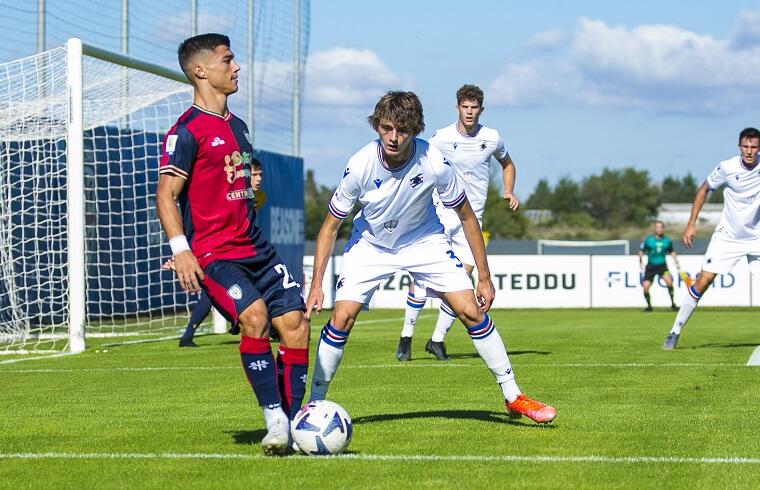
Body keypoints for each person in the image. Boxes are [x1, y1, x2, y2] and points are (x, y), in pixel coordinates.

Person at [305, 90, 556, 424]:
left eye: (403, 130)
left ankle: (514, 396)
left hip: (424, 241)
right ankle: (313, 404)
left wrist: (483, 275)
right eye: (386, 128)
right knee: (342, 318)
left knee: (469, 310)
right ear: (377, 126)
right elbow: (330, 226)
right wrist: (317, 285)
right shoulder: (359, 165)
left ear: (415, 130)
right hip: (371, 245)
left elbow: (468, 218)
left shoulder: (434, 161)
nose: (393, 138)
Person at [155, 33, 310, 455]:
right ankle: (275, 420)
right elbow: (165, 195)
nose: (236, 67)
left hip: (257, 249)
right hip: (215, 255)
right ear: (201, 70)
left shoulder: (237, 126)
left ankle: (296, 422)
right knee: (255, 318)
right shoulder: (185, 131)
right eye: (227, 60)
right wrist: (180, 249)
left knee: (296, 326)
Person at [396, 84, 519, 362]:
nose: (470, 112)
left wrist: (508, 190)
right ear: (458, 108)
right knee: (424, 278)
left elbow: (508, 164)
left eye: (474, 108)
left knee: (460, 281)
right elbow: (416, 158)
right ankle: (406, 336)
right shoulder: (441, 138)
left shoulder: (491, 138)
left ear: (481, 110)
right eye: (465, 107)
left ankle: (436, 340)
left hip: (471, 219)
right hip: (441, 214)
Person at [662, 127, 760, 350]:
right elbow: (704, 189)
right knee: (703, 282)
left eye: (754, 147)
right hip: (727, 237)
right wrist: (691, 223)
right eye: (745, 146)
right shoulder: (727, 167)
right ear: (739, 147)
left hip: (757, 236)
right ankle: (674, 332)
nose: (749, 151)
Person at [171, 158, 266, 348]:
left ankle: (234, 322)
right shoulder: (223, 196)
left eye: (260, 175)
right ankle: (191, 335)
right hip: (213, 250)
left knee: (214, 293)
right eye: (254, 174)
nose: (258, 179)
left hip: (236, 250)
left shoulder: (259, 197)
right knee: (211, 292)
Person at [638, 220, 681, 312]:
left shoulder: (667, 241)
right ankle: (649, 306)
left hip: (662, 266)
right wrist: (640, 260)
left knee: (669, 282)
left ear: (663, 229)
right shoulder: (648, 240)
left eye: (660, 227)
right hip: (651, 267)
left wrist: (676, 261)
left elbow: (672, 251)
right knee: (645, 287)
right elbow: (641, 250)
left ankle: (673, 304)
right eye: (657, 227)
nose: (659, 229)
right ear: (654, 229)